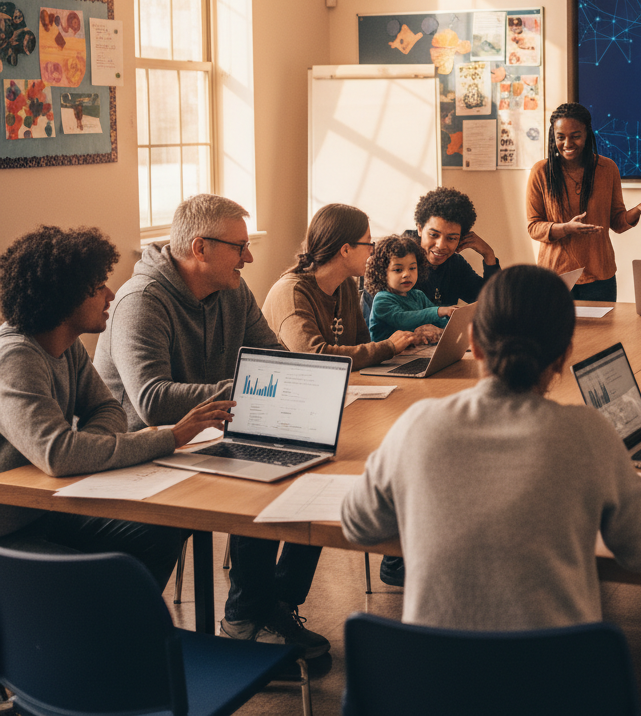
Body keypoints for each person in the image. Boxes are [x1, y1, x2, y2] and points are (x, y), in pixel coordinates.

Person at [340, 264, 641, 630]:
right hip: (555, 681)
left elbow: (357, 525)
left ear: (475, 345)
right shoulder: (590, 434)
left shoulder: (418, 424)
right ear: (563, 355)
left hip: (433, 680)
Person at [94, 194, 329, 659]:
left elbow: (271, 355)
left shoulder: (233, 291)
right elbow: (152, 401)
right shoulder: (141, 301)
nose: (250, 256)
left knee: (309, 473)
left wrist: (302, 381)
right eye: (239, 246)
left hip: (206, 438)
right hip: (140, 452)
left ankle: (270, 605)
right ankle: (245, 620)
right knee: (258, 486)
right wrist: (248, 386)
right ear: (200, 248)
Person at [0, 226, 231, 587]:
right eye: (96, 288)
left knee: (162, 529)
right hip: (13, 527)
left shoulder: (67, 346)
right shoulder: (17, 358)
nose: (110, 295)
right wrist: (172, 437)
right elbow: (59, 454)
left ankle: (117, 631)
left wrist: (86, 450)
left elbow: (109, 411)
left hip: (48, 508)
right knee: (126, 561)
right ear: (64, 298)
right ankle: (106, 631)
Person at [526, 102, 641, 301]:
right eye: (560, 137)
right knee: (556, 333)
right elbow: (533, 227)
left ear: (587, 134)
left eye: (575, 136)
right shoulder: (540, 172)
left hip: (600, 277)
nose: (567, 143)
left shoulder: (607, 169)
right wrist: (565, 228)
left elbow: (617, 223)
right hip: (556, 277)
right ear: (553, 137)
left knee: (604, 334)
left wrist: (638, 209)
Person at [262, 203, 421, 369]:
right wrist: (389, 347)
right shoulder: (291, 292)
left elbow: (362, 344)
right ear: (346, 250)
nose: (371, 251)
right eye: (368, 244)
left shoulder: (346, 285)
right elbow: (314, 357)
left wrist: (407, 341)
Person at [361, 187, 500, 322]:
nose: (441, 245)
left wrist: (489, 255)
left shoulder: (455, 264)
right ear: (420, 228)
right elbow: (380, 323)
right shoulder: (392, 262)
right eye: (434, 235)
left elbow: (492, 305)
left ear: (460, 239)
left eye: (451, 238)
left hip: (437, 344)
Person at [366, 234, 456, 342]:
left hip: (413, 354)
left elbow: (438, 320)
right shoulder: (382, 299)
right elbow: (403, 319)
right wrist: (439, 311)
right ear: (382, 273)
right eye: (398, 270)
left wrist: (449, 327)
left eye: (412, 268)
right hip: (387, 357)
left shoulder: (418, 295)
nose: (406, 274)